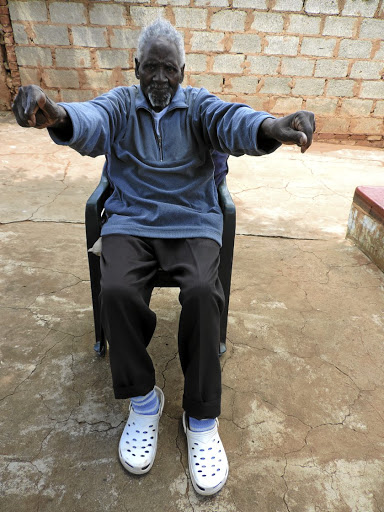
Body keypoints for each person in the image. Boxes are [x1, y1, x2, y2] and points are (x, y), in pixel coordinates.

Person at [12, 18, 315, 496]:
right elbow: (87, 121)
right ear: (135, 68)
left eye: (168, 70)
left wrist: (271, 127)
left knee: (200, 291)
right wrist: (53, 113)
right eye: (150, 68)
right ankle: (144, 402)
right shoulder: (119, 104)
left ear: (182, 71)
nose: (159, 79)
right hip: (131, 221)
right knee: (115, 289)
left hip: (192, 221)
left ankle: (200, 416)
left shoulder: (197, 106)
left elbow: (232, 121)